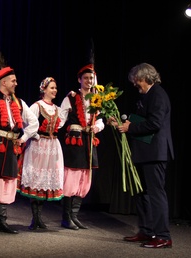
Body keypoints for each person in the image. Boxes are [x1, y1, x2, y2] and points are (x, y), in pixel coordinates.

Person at [112, 63, 174, 248]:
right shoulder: (148, 95)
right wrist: (121, 123)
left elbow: (154, 123)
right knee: (143, 194)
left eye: (136, 80)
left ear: (145, 78)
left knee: (156, 194)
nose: (134, 84)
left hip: (155, 153)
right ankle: (146, 231)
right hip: (145, 152)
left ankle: (163, 236)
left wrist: (131, 127)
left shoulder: (158, 95)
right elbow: (141, 120)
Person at [0, 44, 39, 234]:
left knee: (7, 182)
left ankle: (2, 220)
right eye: (13, 81)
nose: (16, 84)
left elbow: (34, 123)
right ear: (4, 82)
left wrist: (22, 139)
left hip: (11, 146)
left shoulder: (19, 102)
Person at [59, 63, 105, 230]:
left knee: (84, 179)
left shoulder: (97, 98)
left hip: (88, 142)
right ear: (79, 79)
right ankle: (66, 217)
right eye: (85, 78)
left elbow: (100, 120)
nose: (89, 81)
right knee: (71, 178)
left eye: (91, 78)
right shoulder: (70, 98)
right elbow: (61, 119)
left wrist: (97, 127)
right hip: (75, 141)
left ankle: (74, 215)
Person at [18, 77, 66, 230]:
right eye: (52, 88)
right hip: (38, 146)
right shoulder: (37, 106)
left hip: (52, 147)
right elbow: (27, 123)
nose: (54, 90)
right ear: (44, 89)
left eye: (55, 88)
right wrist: (36, 135)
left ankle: (39, 217)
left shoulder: (58, 109)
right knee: (36, 179)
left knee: (45, 180)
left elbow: (62, 121)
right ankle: (35, 217)